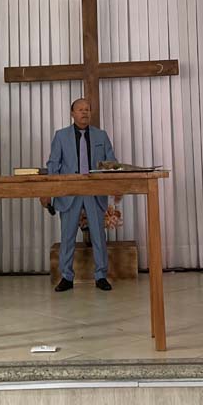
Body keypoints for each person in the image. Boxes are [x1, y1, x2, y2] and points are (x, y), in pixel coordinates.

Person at [40, 98, 117, 292]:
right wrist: (48, 191)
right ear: (72, 113)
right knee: (67, 237)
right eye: (80, 109)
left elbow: (111, 162)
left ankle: (101, 276)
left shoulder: (101, 135)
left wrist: (116, 186)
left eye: (87, 109)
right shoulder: (61, 136)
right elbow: (53, 164)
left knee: (99, 236)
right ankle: (66, 277)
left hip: (94, 192)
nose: (84, 112)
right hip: (69, 193)